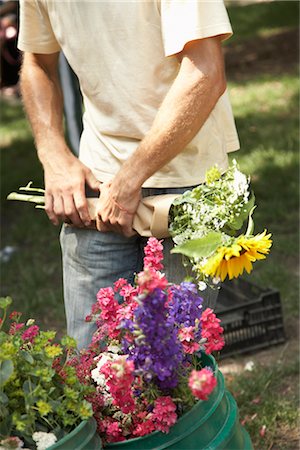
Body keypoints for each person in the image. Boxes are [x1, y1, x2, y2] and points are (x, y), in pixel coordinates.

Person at [17, 0, 239, 350]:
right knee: (93, 371)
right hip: (96, 185)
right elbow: (37, 62)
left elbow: (205, 71)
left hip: (185, 186)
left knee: (174, 371)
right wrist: (53, 154)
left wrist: (129, 179)